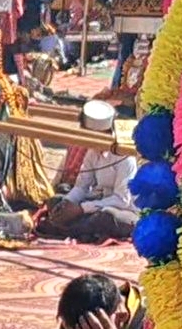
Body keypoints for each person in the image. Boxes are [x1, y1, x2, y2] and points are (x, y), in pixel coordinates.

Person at [39, 100, 136, 242]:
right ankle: (75, 228)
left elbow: (122, 200)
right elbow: (82, 185)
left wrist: (80, 209)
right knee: (56, 200)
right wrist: (67, 203)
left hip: (124, 211)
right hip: (96, 203)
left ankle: (66, 229)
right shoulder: (92, 151)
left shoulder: (125, 156)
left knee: (105, 217)